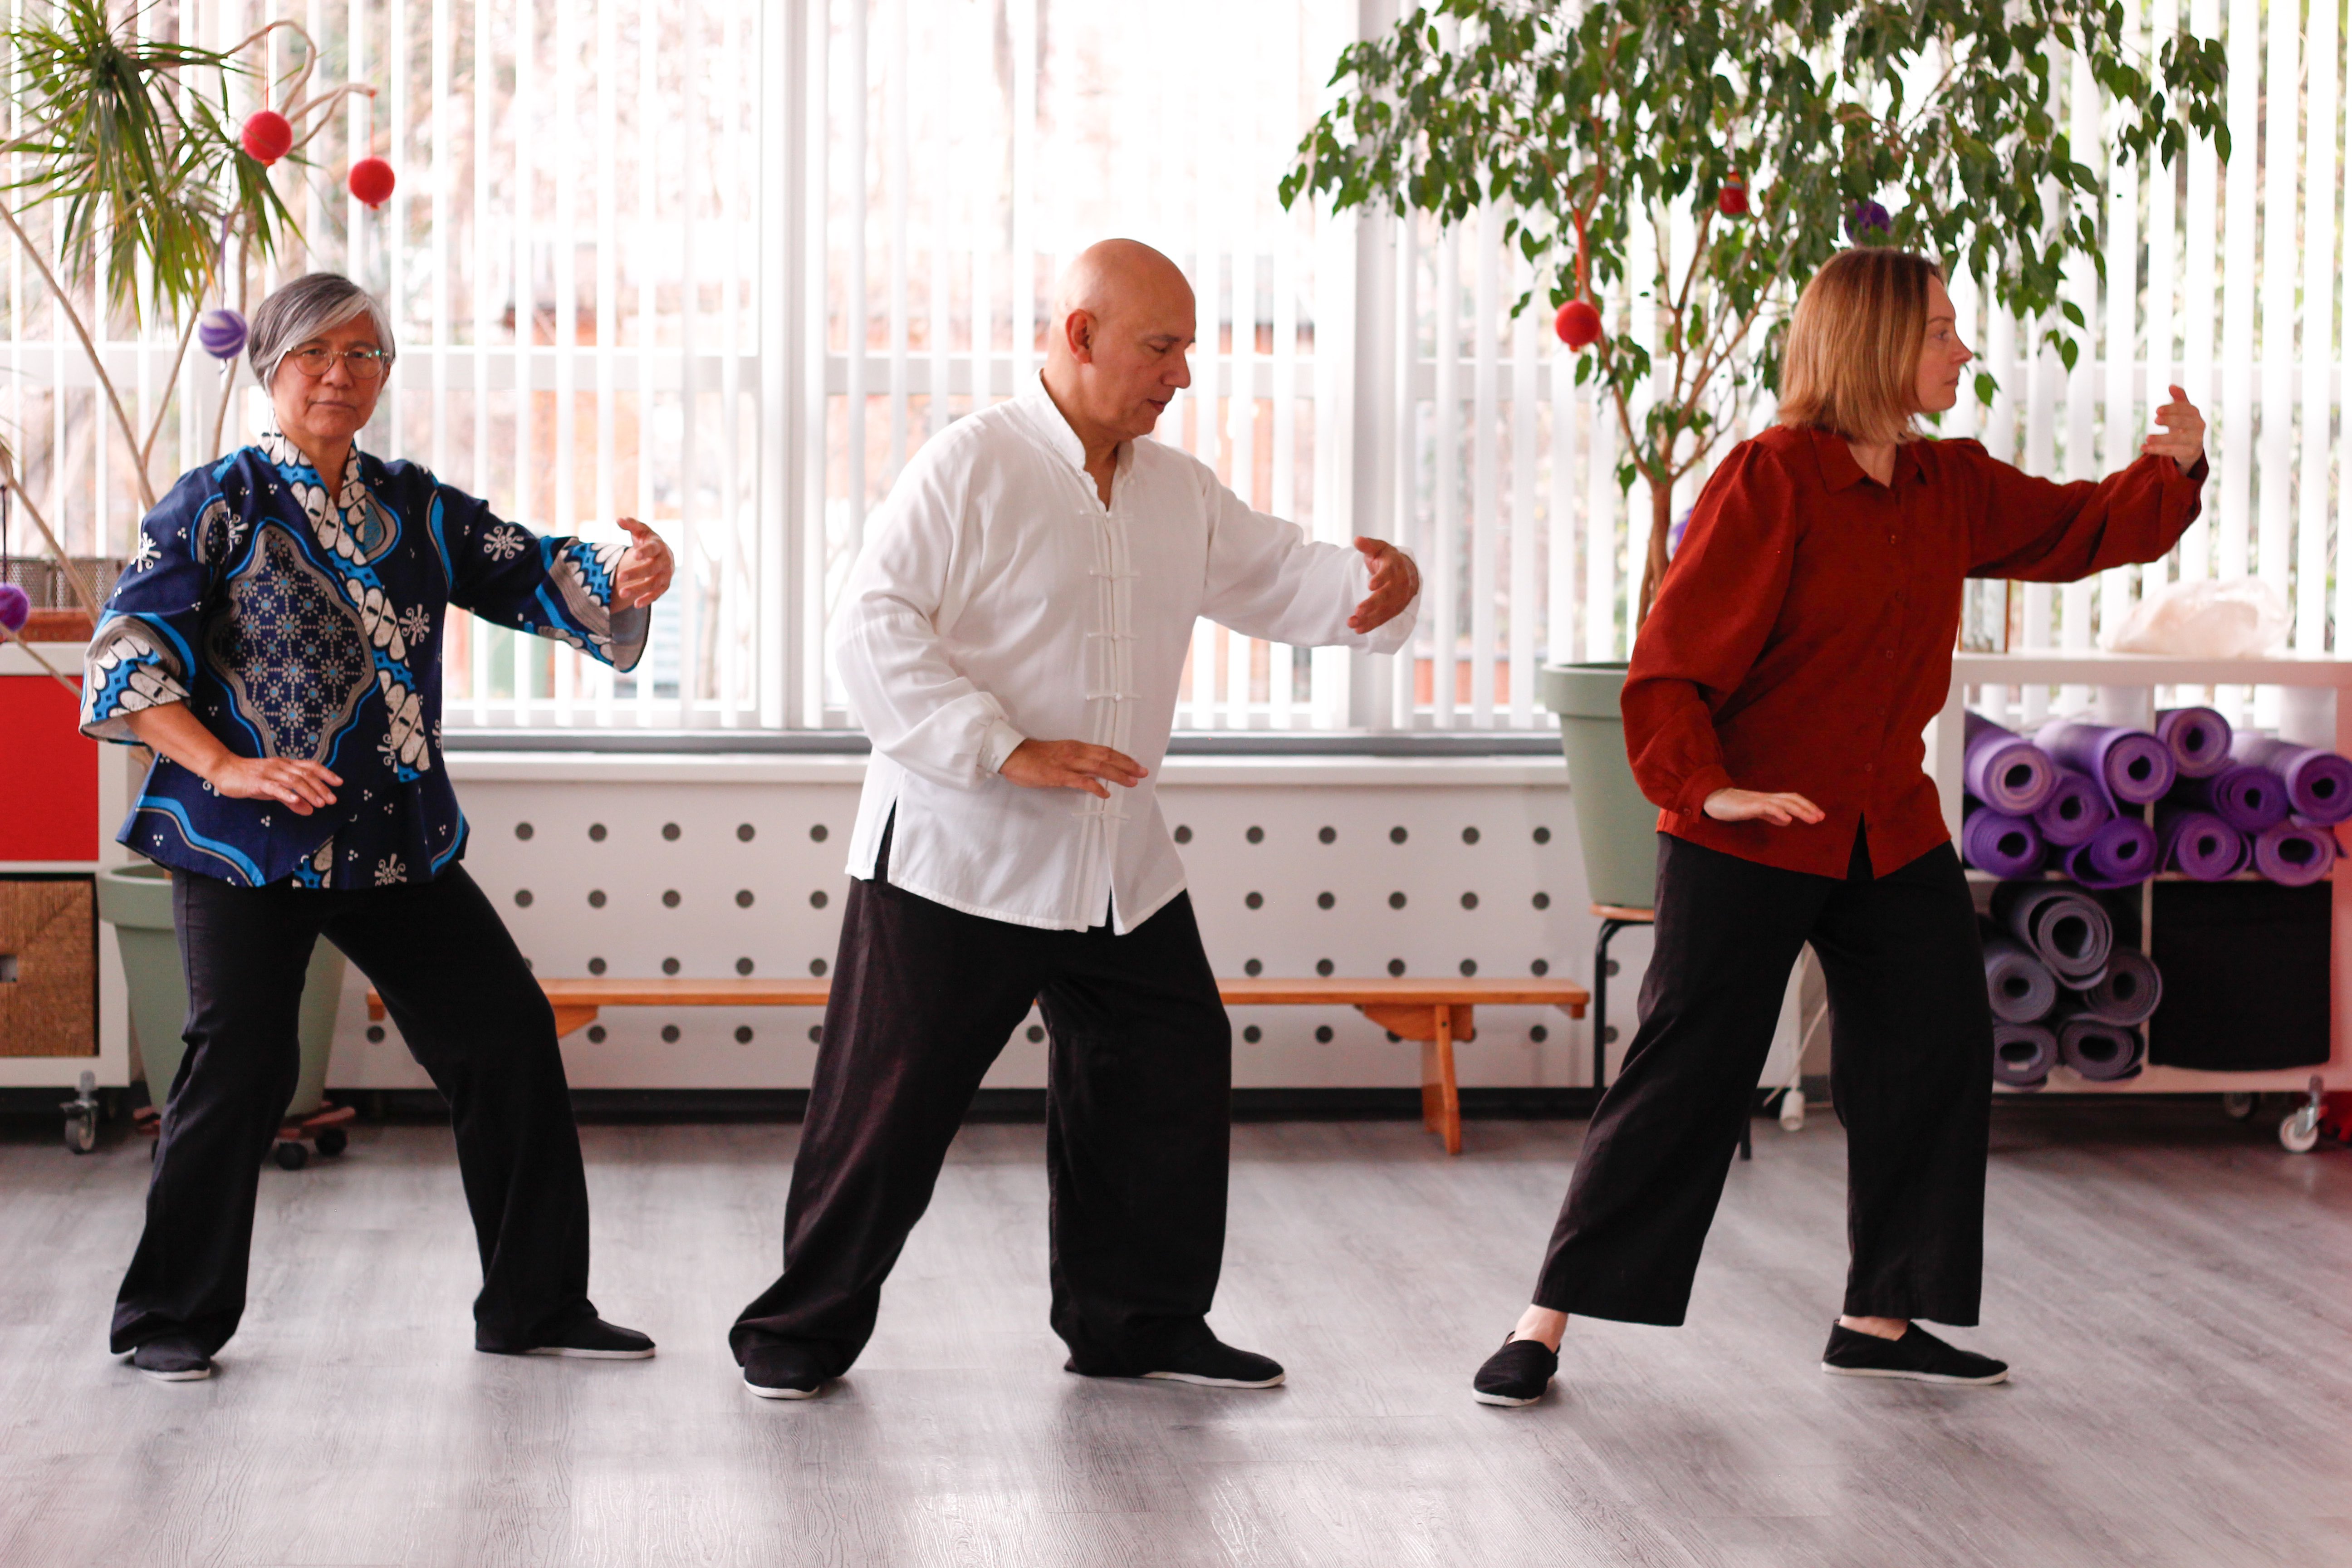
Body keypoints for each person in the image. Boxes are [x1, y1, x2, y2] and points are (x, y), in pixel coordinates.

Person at [1471, 248, 2210, 1406]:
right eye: (1940, 330)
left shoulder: (1946, 485)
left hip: (1886, 825)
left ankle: (1881, 1316)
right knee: (1688, 1071)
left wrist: (2175, 468)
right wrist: (1704, 787)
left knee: (1935, 1045)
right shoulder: (1770, 481)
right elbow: (1672, 661)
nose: (1963, 349)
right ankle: (1544, 1323)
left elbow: (2078, 529)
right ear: (1872, 344)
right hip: (1748, 826)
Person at [730, 238, 1422, 1400]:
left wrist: (1375, 590)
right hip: (958, 855)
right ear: (1081, 333)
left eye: (1189, 350)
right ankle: (795, 1335)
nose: (1183, 376)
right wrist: (1005, 747)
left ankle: (1136, 1323)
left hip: (1114, 861)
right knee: (887, 1111)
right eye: (1163, 347)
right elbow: (870, 628)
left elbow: (1283, 576)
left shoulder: (1178, 488)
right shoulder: (970, 466)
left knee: (1170, 1064)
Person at [83, 272, 675, 1382]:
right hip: (243, 846)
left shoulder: (417, 505)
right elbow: (127, 656)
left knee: (505, 1039)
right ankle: (166, 1317)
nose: (338, 375)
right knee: (241, 1064)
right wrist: (229, 767)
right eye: (315, 354)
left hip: (396, 840)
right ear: (270, 369)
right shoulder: (214, 501)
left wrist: (627, 571)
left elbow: (541, 573)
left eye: (362, 355)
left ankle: (536, 1304)